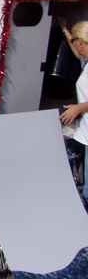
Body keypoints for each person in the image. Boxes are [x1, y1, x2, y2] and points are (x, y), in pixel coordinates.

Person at [60, 20, 88, 203]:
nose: (77, 49)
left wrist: (78, 108)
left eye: (78, 44)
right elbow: (76, 52)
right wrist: (65, 29)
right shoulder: (86, 62)